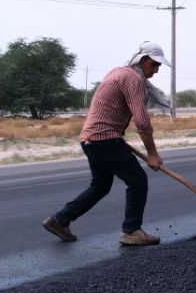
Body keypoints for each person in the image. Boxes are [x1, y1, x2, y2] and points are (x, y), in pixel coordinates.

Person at [43, 41, 173, 245]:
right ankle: (131, 231)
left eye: (158, 67)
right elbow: (142, 121)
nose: (156, 71)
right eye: (154, 65)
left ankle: (60, 220)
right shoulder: (133, 80)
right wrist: (152, 154)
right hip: (104, 138)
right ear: (144, 60)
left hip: (89, 139)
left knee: (100, 186)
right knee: (137, 180)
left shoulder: (119, 72)